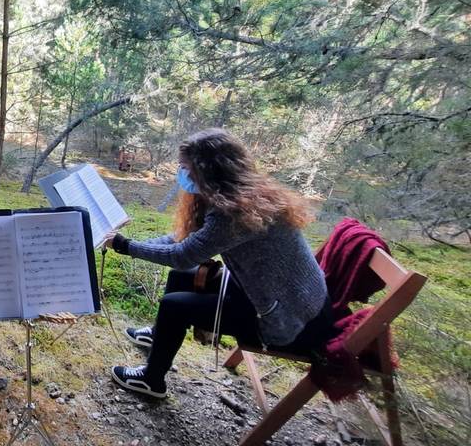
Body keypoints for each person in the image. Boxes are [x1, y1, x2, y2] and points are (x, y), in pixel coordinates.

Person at [105, 128, 335, 399]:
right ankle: (160, 336)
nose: (182, 173)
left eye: (185, 167)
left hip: (289, 320)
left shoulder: (234, 214)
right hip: (292, 297)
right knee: (182, 278)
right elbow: (182, 240)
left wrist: (124, 246)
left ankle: (151, 379)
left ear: (208, 171)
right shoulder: (245, 196)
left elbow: (182, 255)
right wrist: (129, 242)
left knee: (174, 306)